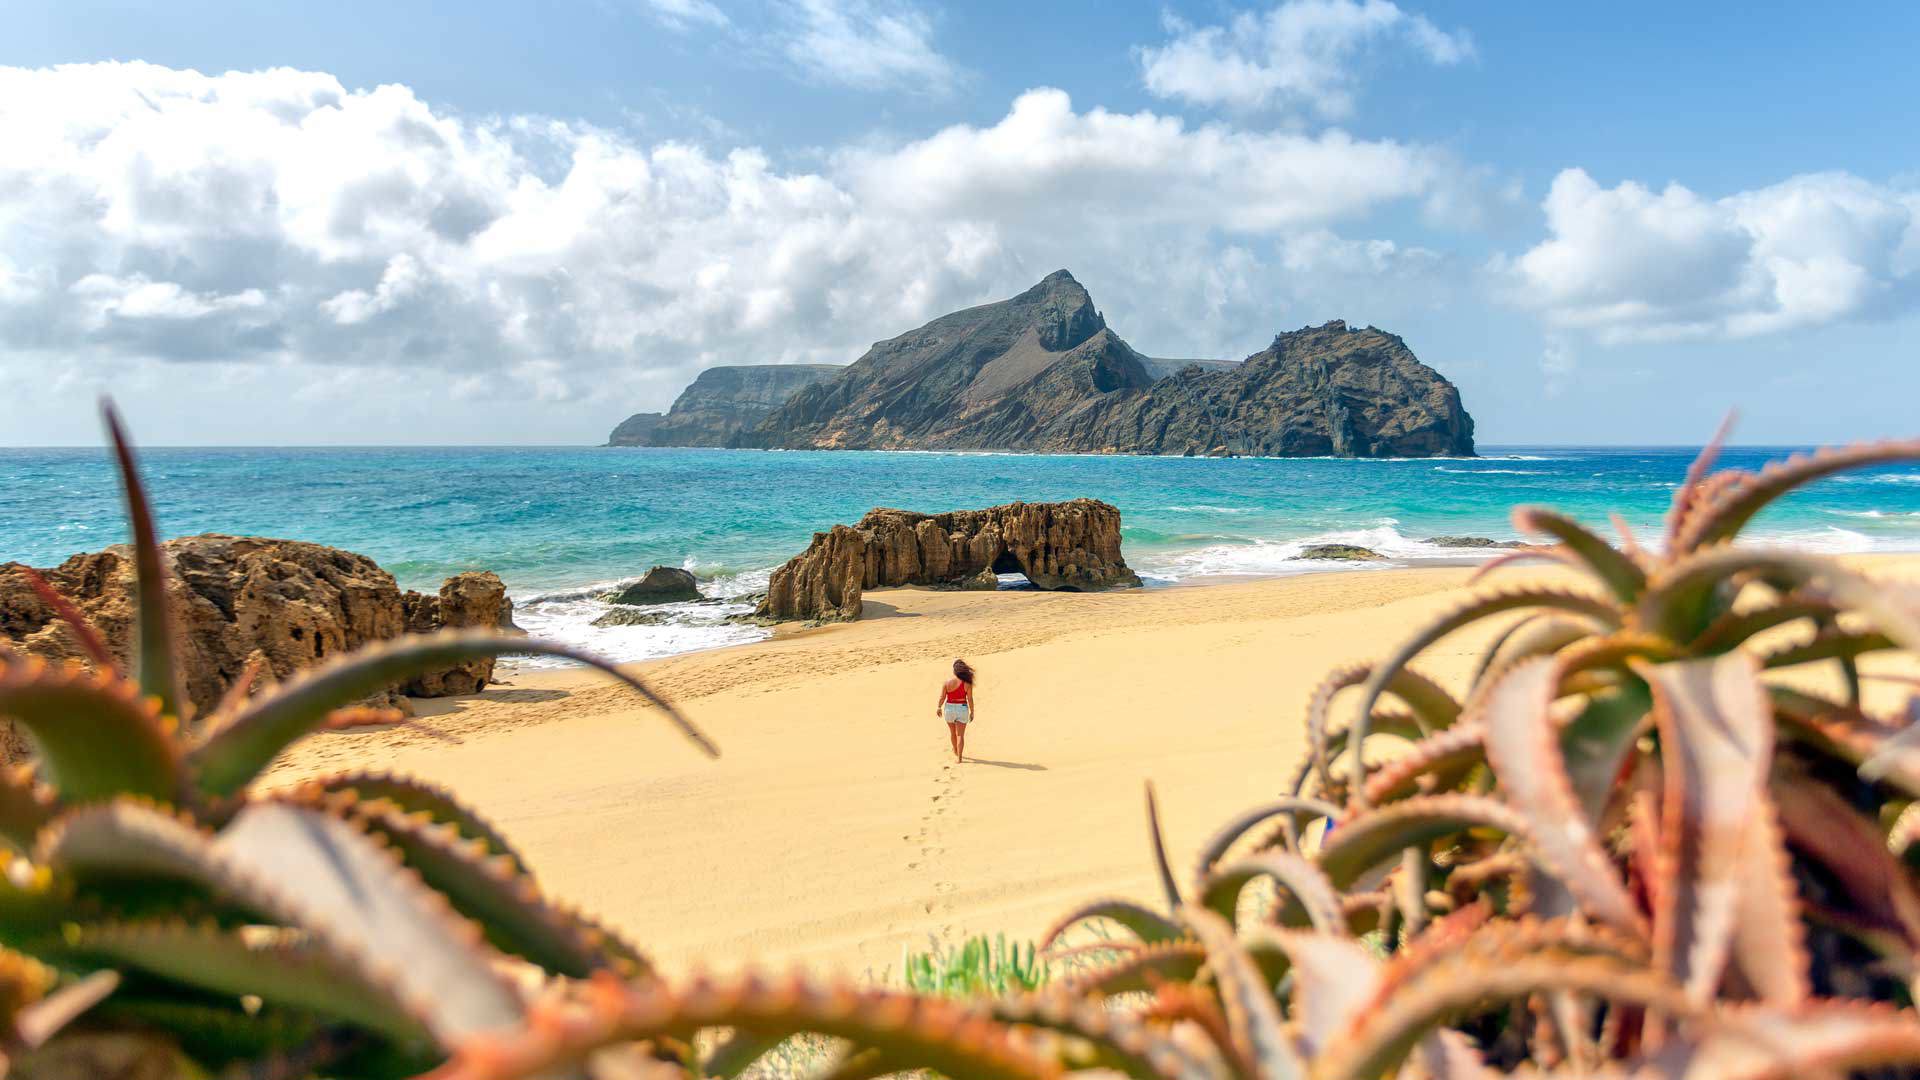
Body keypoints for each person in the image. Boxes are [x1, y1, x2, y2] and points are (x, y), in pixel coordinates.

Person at [935, 658, 976, 762]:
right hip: (962, 708)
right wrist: (972, 711)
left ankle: (955, 751)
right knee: (960, 735)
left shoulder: (947, 682)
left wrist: (939, 707)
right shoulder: (967, 683)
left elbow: (942, 697)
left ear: (954, 671)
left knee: (953, 733)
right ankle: (959, 758)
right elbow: (970, 699)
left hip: (949, 708)